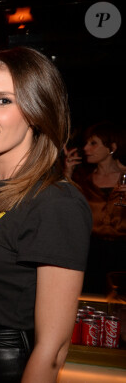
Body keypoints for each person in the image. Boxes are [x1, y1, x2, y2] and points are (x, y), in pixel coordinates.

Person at [0, 47, 92, 382]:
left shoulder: (56, 203)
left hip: (9, 367)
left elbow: (53, 350)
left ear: (36, 110)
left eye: (3, 101)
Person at [64, 121, 126, 294]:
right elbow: (65, 212)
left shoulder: (124, 177)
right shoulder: (82, 179)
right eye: (86, 143)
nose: (85, 148)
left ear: (112, 147)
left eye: (93, 143)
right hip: (91, 252)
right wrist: (67, 174)